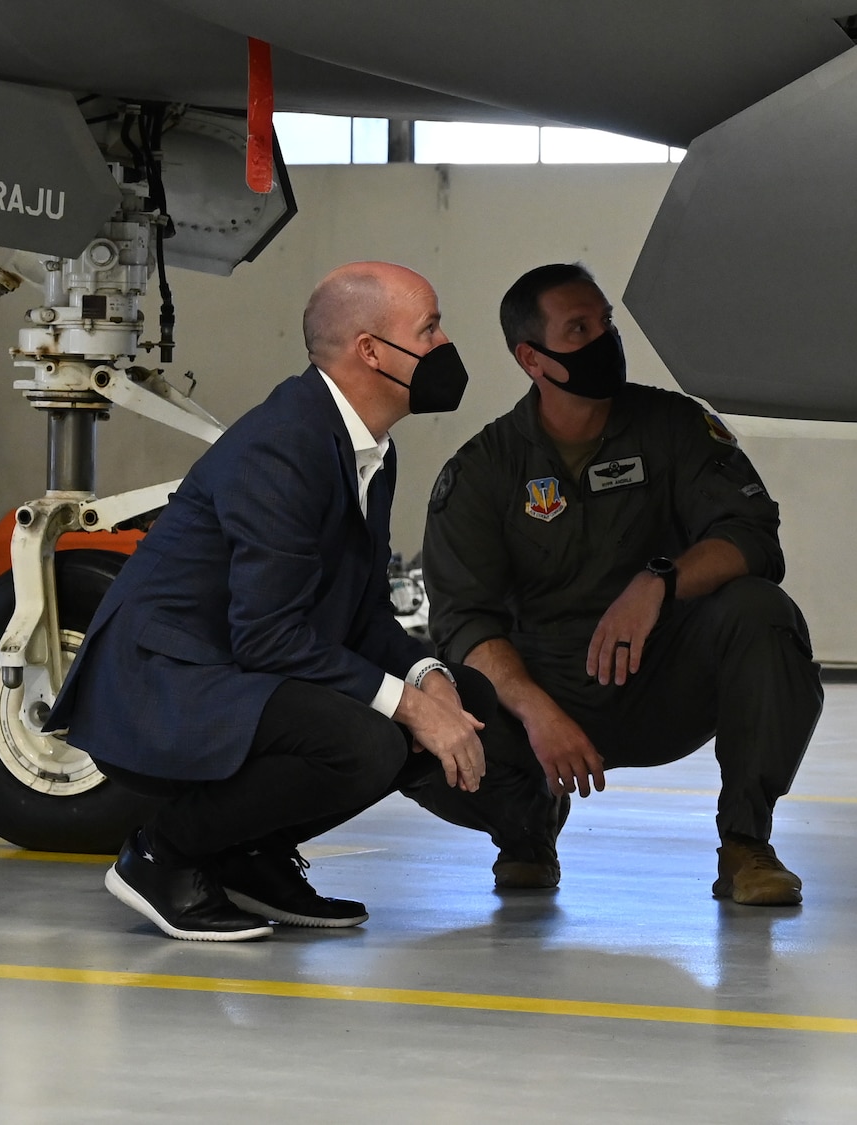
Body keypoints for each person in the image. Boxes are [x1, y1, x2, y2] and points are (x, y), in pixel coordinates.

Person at [48, 261, 517, 942]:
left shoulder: (366, 449)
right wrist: (411, 707)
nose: (445, 344)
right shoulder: (285, 444)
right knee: (362, 738)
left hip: (231, 670)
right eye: (430, 327)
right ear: (371, 352)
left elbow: (361, 616)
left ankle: (249, 853)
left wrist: (430, 679)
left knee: (458, 697)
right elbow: (266, 635)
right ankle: (163, 854)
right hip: (161, 684)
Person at [415, 262, 823, 906]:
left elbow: (750, 534)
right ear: (533, 358)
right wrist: (537, 711)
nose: (605, 338)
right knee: (420, 706)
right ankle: (525, 830)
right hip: (544, 694)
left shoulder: (674, 427)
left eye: (605, 321)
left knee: (762, 611)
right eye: (578, 328)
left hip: (659, 681)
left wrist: (658, 582)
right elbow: (466, 621)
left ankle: (746, 845)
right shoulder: (483, 470)